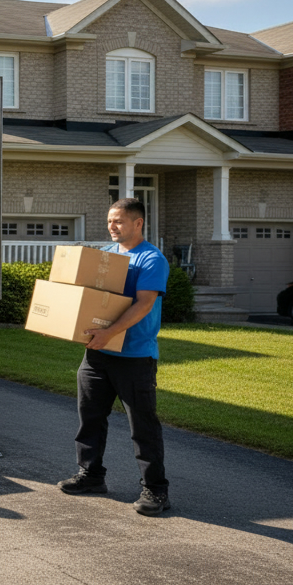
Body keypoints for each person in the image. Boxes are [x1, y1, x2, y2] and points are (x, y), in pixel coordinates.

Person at [57, 198, 172, 516]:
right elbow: (88, 297)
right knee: (90, 417)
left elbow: (144, 304)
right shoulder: (106, 258)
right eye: (110, 220)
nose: (112, 226)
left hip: (134, 355)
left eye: (118, 221)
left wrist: (109, 332)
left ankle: (156, 489)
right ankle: (91, 475)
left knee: (142, 424)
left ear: (138, 223)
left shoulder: (152, 259)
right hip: (97, 353)